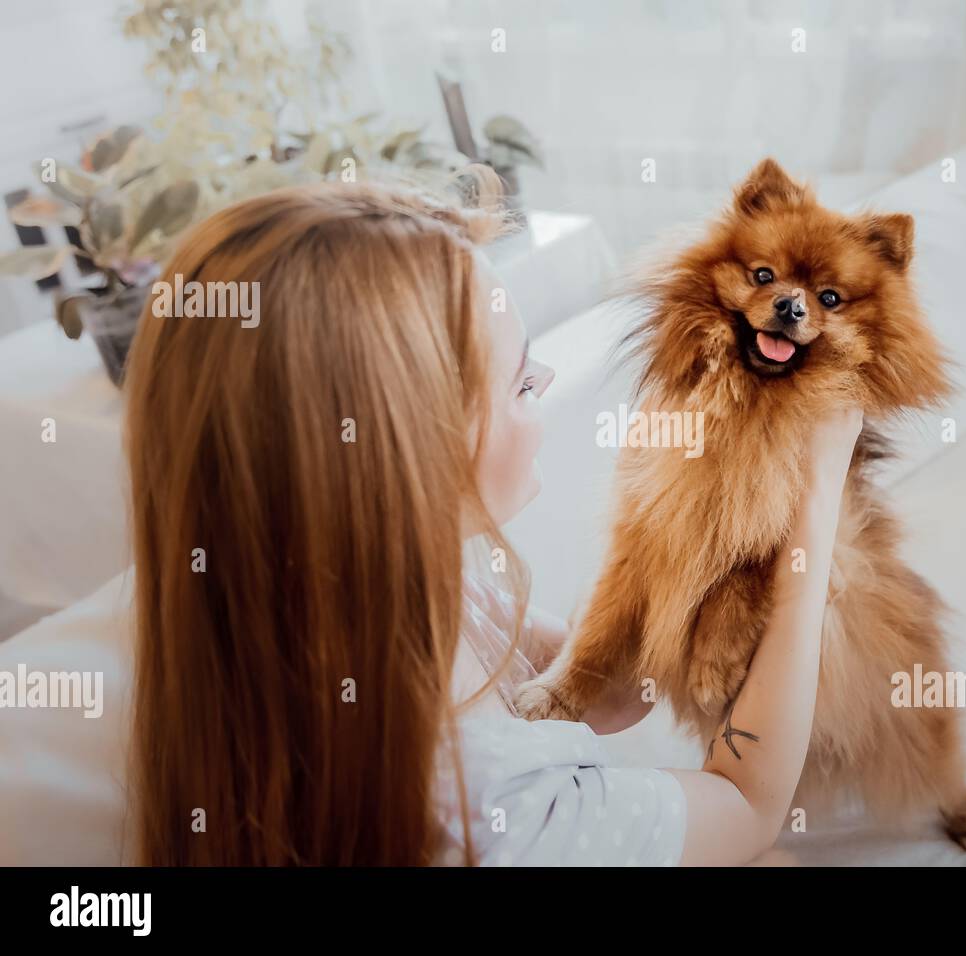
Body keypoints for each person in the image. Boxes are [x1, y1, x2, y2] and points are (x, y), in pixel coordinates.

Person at [124, 176, 863, 866]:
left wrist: (681, 506)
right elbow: (749, 806)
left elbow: (605, 688)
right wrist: (816, 496)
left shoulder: (396, 571)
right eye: (520, 384)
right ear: (412, 449)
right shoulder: (497, 803)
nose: (542, 391)